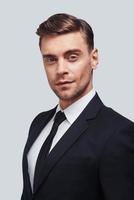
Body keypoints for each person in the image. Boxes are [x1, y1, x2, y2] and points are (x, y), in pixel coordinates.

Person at [21, 13, 134, 200]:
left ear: (94, 58)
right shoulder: (38, 123)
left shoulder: (120, 133)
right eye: (51, 59)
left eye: (72, 57)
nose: (60, 70)